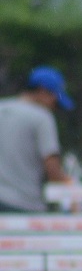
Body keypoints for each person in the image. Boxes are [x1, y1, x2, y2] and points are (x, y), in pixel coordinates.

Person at [0, 66, 73, 213]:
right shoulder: (42, 118)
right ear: (43, 91)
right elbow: (51, 165)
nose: (54, 107)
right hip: (24, 204)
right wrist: (68, 187)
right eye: (55, 100)